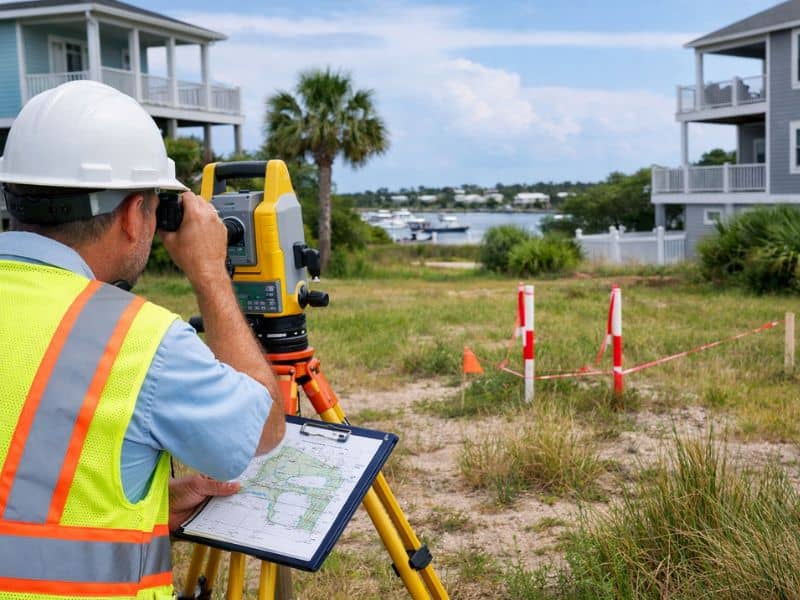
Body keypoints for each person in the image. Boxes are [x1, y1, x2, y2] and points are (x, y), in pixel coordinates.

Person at [0, 80, 285, 597]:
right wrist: (211, 276)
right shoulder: (135, 339)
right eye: (158, 205)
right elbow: (261, 431)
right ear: (134, 215)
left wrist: (149, 506)